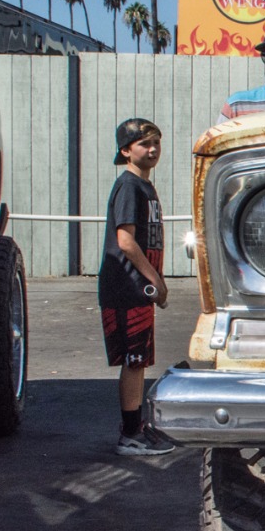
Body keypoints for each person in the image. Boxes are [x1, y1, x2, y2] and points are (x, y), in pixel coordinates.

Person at [99, 117, 175, 456]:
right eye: (145, 143)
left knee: (139, 359)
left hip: (137, 287)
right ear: (126, 150)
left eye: (156, 141)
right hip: (127, 287)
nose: (153, 148)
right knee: (135, 359)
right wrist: (154, 279)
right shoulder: (129, 185)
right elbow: (126, 241)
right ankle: (130, 434)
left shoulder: (144, 186)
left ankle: (137, 428)